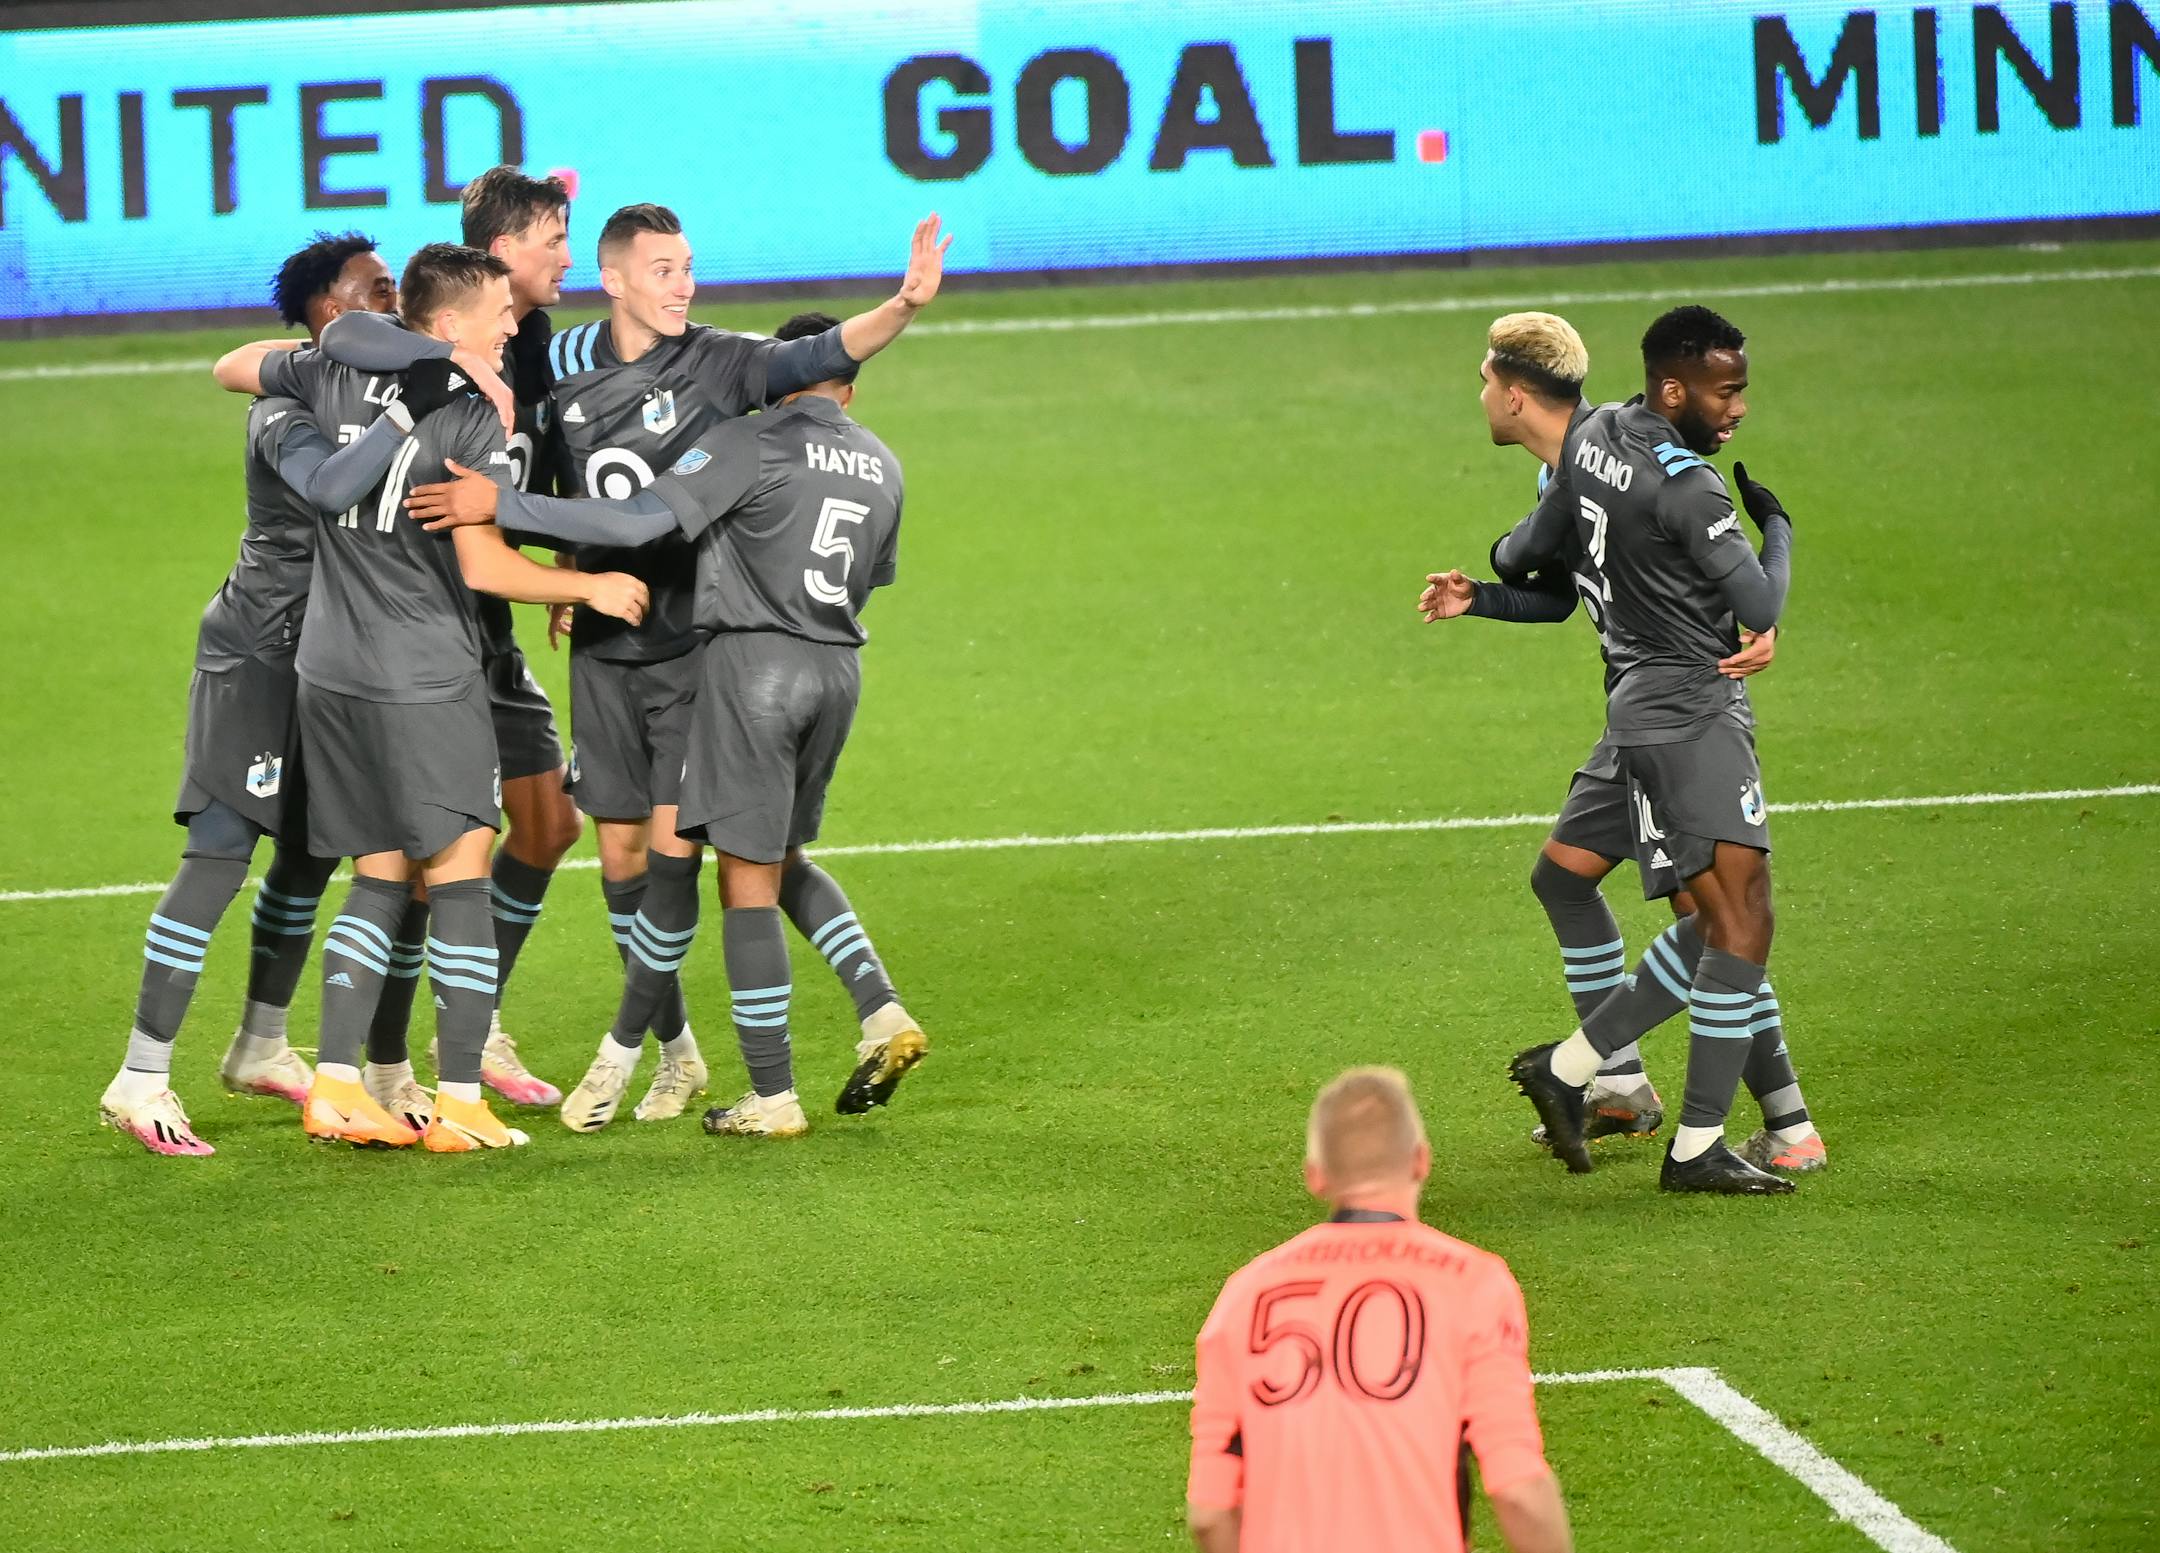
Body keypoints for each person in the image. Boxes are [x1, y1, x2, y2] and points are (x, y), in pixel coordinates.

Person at [330, 199, 952, 1130]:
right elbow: (518, 429)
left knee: (683, 860)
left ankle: (635, 1059)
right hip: (605, 646)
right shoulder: (562, 361)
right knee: (622, 855)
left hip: (705, 645)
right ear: (615, 278)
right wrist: (562, 579)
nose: (685, 284)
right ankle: (679, 1053)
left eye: (690, 267)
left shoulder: (720, 359)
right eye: (664, 269)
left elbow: (814, 359)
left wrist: (900, 305)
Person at [239, 243, 648, 1149]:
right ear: (452, 324)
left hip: (331, 672)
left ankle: (338, 1083)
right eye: (500, 312)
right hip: (424, 673)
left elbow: (248, 365)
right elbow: (485, 564)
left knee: (379, 875)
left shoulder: (323, 379)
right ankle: (461, 1099)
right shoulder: (472, 416)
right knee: (460, 880)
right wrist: (591, 586)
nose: (513, 326)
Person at [1418, 315, 1821, 1177]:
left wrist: (1501, 564)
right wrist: (1485, 596)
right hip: (1657, 710)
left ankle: (1761, 1117)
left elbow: (1534, 554)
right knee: (1628, 894)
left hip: (1665, 708)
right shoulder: (1605, 453)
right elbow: (1557, 584)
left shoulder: (1598, 454)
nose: (1480, 396)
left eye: (1485, 382)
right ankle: (1625, 1090)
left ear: (1515, 391)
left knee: (1715, 918)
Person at [98, 233, 413, 1156]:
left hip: (332, 661)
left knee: (314, 853)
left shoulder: (378, 391)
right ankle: (141, 1073)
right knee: (224, 850)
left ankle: (262, 1043)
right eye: (375, 289)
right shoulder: (287, 402)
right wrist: (405, 418)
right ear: (328, 311)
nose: (393, 302)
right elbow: (324, 487)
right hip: (259, 655)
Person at [1185, 1067, 1573, 1553]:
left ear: (1316, 1176)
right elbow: (1517, 1489)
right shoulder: (1472, 1283)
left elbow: (1210, 1513)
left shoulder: (1246, 1293)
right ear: (1421, 1161)